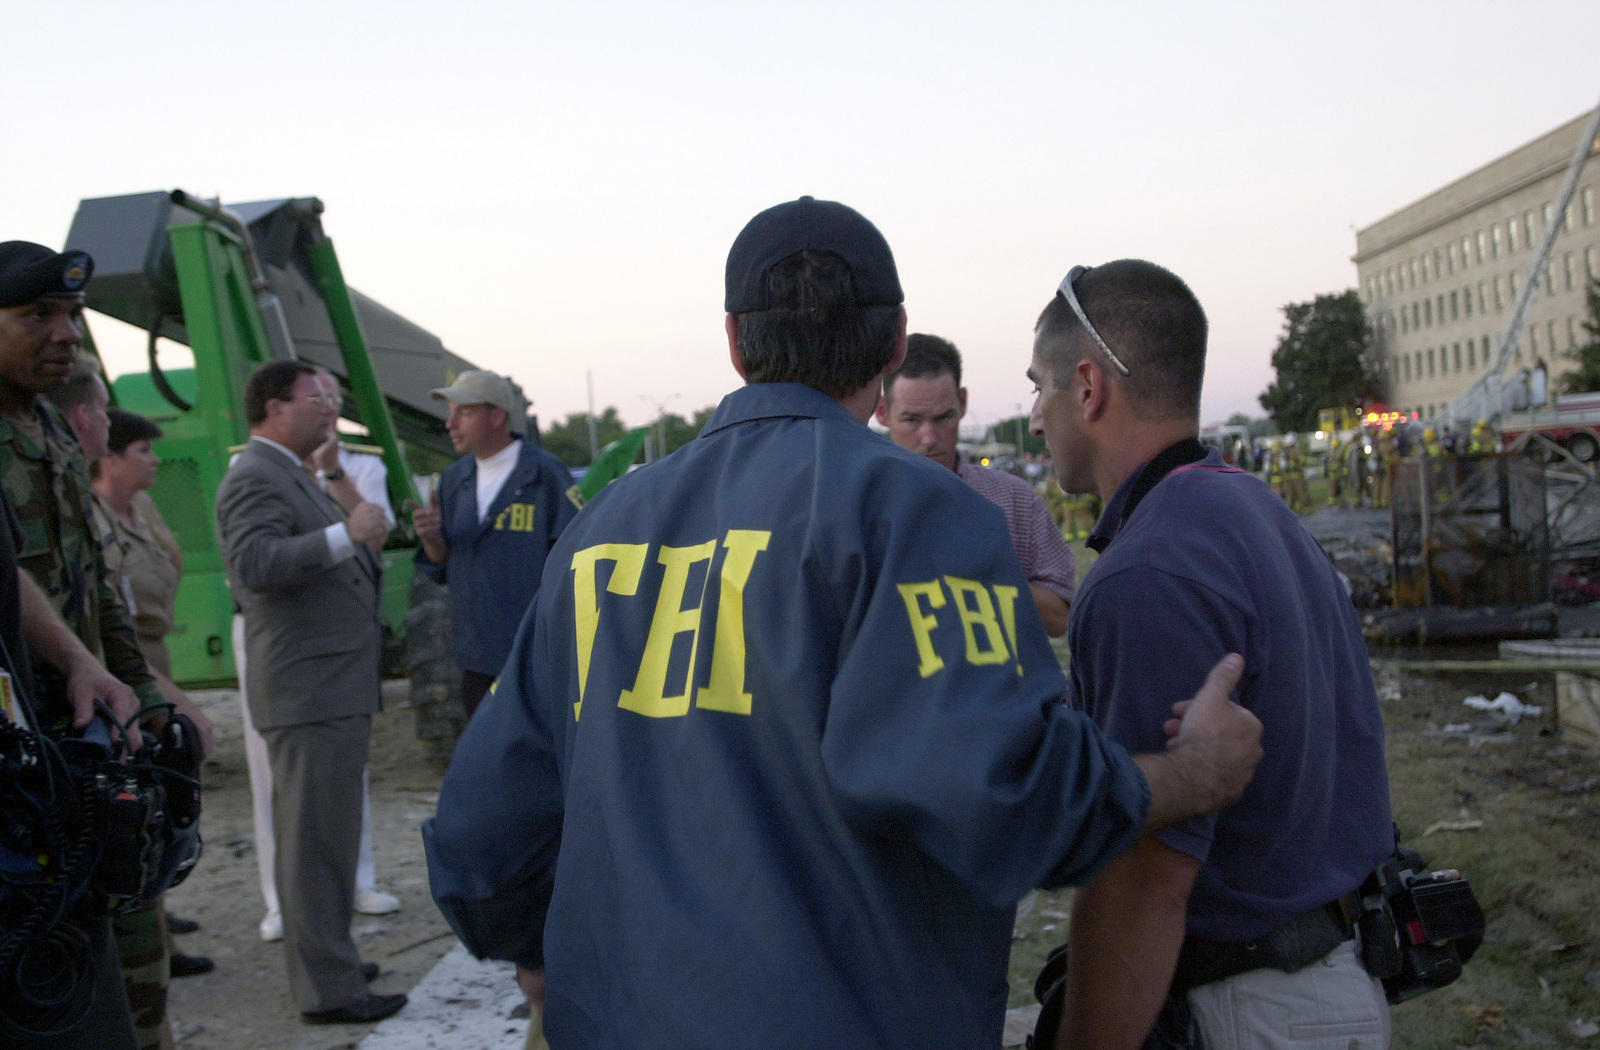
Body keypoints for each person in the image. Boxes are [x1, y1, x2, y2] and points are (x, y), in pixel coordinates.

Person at [424, 196, 1264, 1049]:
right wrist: (1196, 772)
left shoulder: (599, 529)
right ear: (896, 342)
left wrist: (544, 948)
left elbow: (481, 841)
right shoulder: (912, 512)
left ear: (734, 341)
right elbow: (1008, 798)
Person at [1025, 259, 1394, 1050]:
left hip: (1245, 1008)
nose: (1032, 416)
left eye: (1039, 387)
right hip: (1320, 984)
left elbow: (1146, 876)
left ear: (1088, 388)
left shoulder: (1149, 572)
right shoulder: (1254, 508)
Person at [0, 242, 183, 1050]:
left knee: (118, 949)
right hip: (21, 766)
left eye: (70, 315)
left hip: (82, 748)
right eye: (35, 316)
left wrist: (142, 688)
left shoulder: (45, 426)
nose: (63, 333)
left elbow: (96, 580)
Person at [215, 359, 406, 1025]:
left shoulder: (295, 470)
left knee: (327, 839)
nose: (331, 408)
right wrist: (340, 535)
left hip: (328, 684)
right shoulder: (255, 476)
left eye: (332, 397)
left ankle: (333, 959)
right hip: (307, 687)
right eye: (316, 398)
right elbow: (253, 565)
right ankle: (329, 989)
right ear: (274, 407)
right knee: (313, 846)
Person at [74, 402, 219, 984]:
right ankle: (146, 931)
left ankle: (158, 918)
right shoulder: (86, 511)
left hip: (152, 652)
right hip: (122, 664)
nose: (155, 461)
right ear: (110, 457)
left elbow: (170, 564)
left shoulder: (144, 509)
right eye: (143, 451)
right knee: (134, 802)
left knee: (162, 800)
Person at [876, 333, 1076, 636]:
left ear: (963, 402)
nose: (929, 438)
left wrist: (978, 576)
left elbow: (1061, 616)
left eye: (944, 418)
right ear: (882, 412)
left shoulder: (1014, 499)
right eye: (912, 420)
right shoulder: (859, 505)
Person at [411, 369, 582, 720]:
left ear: (497, 416)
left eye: (465, 413)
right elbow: (441, 564)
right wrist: (431, 538)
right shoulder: (453, 480)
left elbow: (575, 560)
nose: (450, 424)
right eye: (451, 412)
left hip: (534, 657)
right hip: (476, 658)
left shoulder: (544, 475)